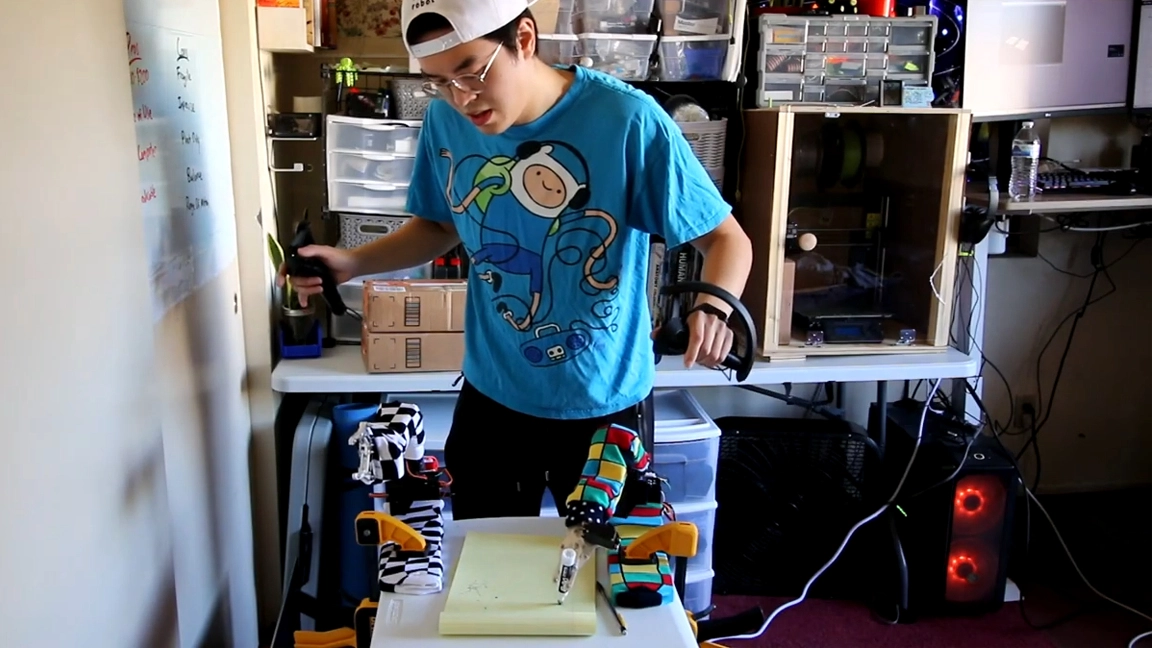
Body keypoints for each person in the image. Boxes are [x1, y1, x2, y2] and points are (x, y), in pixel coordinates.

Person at [283, 0, 753, 521]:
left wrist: (713, 307)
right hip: (494, 398)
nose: (461, 98)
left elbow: (726, 240)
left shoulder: (627, 120)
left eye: (471, 72)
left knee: (605, 562)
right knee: (484, 559)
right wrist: (352, 262)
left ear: (524, 39)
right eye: (438, 81)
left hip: (604, 402)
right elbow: (440, 225)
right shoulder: (446, 118)